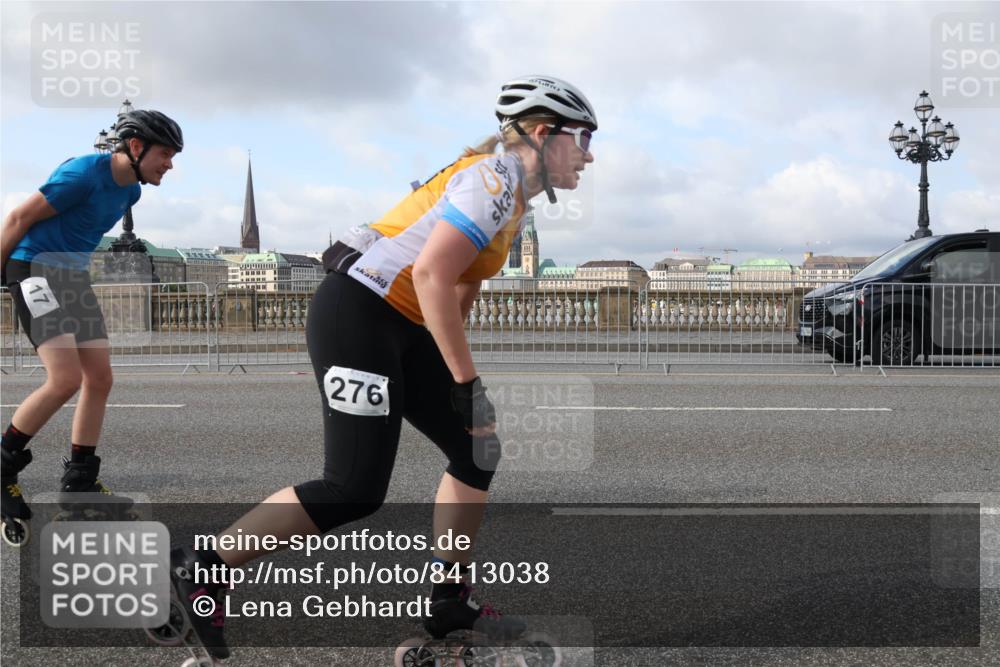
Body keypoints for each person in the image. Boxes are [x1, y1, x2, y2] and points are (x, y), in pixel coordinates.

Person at [168, 75, 597, 659]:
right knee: (353, 488)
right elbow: (430, 274)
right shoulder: (493, 179)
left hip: (401, 324)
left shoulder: (514, 200)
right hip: (359, 313)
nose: (589, 155)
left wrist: (456, 383)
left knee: (476, 449)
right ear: (544, 134)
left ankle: (448, 599)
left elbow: (461, 286)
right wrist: (466, 384)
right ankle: (204, 568)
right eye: (583, 138)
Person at [0, 110, 183, 546]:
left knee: (100, 378)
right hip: (35, 269)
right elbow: (18, 219)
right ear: (135, 146)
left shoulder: (132, 191)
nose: (170, 165)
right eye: (165, 154)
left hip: (72, 278)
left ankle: (79, 481)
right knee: (64, 379)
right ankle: (3, 465)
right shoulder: (82, 173)